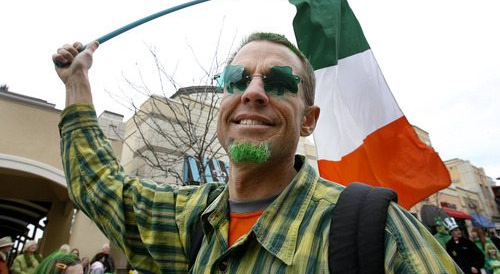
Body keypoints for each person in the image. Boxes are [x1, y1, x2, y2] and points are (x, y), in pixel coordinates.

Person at [53, 33, 463, 273]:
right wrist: (76, 86)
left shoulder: (377, 233)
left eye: (280, 81)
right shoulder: (189, 222)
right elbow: (99, 186)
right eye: (236, 80)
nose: (252, 92)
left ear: (308, 121)